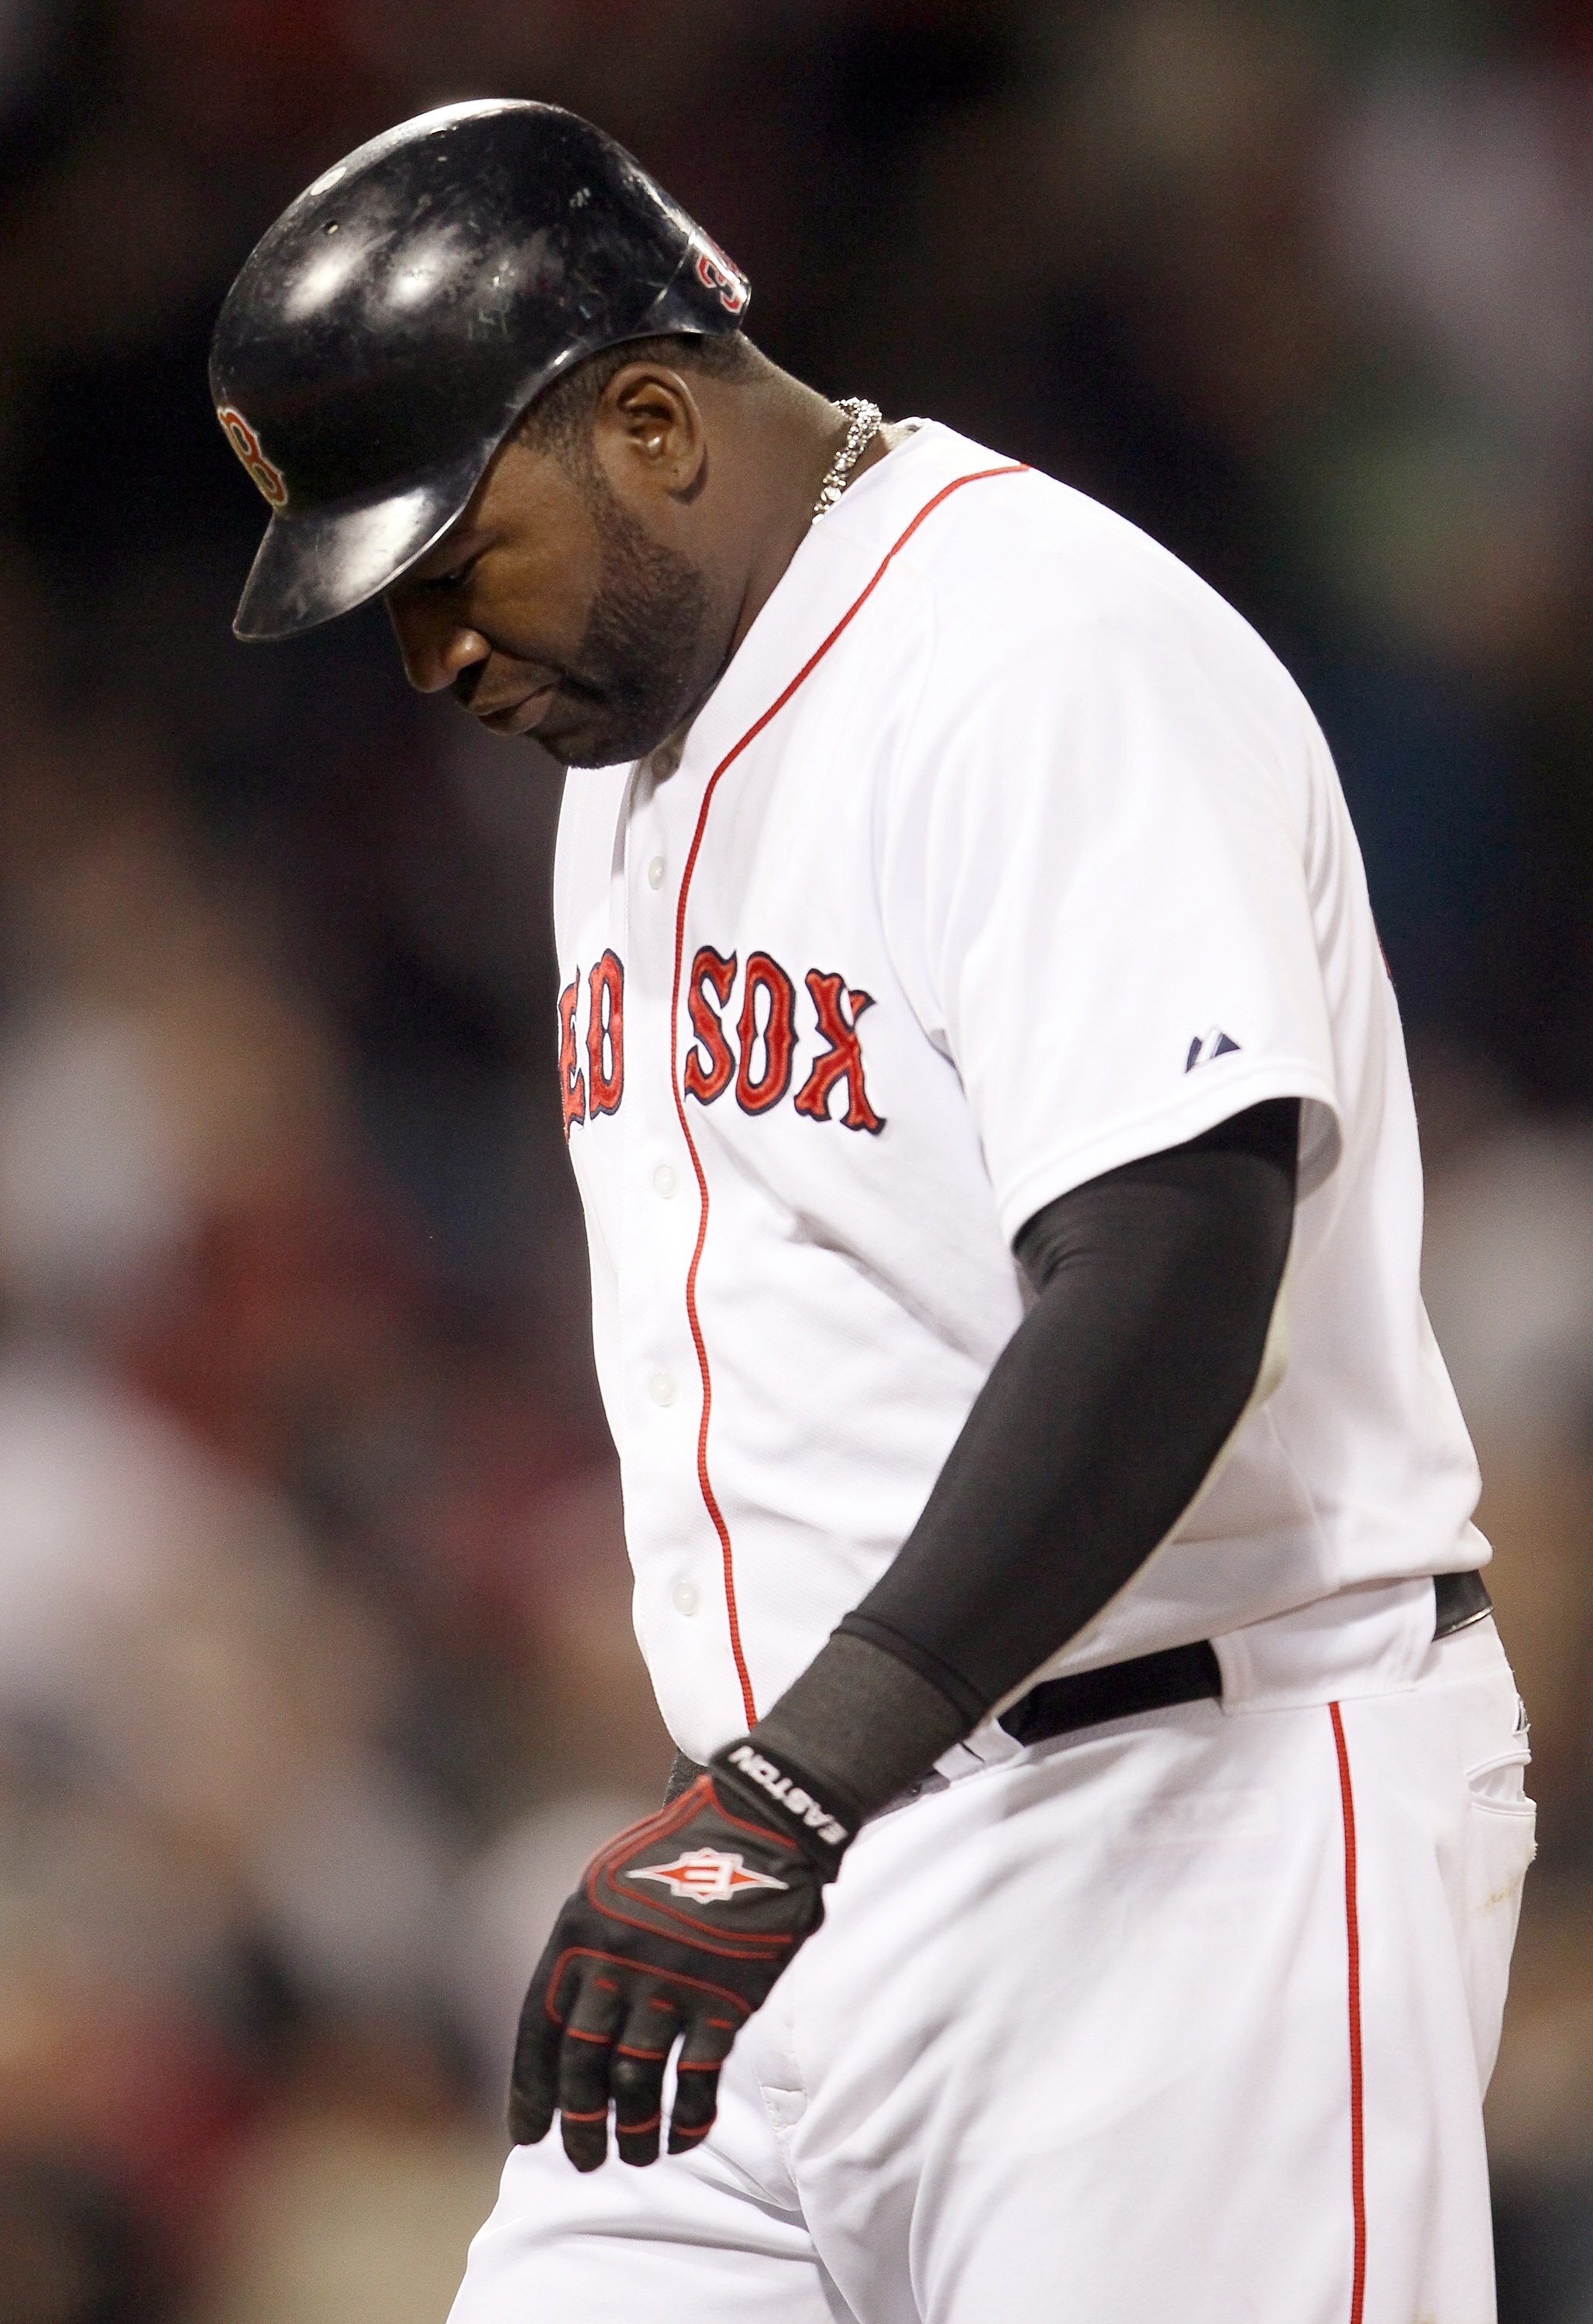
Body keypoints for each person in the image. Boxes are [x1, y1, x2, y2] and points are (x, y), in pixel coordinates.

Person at [212, 98, 1535, 2324]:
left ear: (648, 420)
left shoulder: (1029, 651)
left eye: (451, 566)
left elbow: (1177, 1259)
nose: (427, 652)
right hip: (800, 1865)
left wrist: (789, 1788)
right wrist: (778, 1801)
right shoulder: (623, 737)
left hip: (1186, 1822)